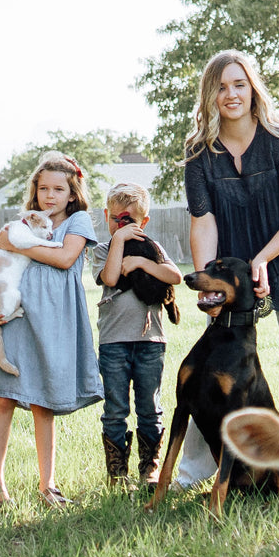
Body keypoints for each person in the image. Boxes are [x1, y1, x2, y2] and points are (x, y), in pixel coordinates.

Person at [183, 49, 279, 427]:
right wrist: (207, 282)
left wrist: (263, 258)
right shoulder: (199, 152)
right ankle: (196, 463)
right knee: (211, 369)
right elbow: (203, 222)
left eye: (239, 84)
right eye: (221, 87)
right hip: (232, 276)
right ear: (210, 95)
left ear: (252, 89)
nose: (231, 94)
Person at [0, 152, 102, 507]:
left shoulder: (77, 222)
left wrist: (19, 244)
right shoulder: (26, 223)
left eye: (58, 189)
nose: (50, 195)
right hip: (18, 315)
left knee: (44, 402)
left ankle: (48, 484)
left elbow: (64, 258)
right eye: (43, 188)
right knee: (5, 396)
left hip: (55, 319)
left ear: (72, 193)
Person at [91, 181, 182, 488]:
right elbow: (111, 277)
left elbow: (175, 276)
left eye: (128, 220)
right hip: (113, 342)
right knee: (115, 409)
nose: (121, 224)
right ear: (107, 216)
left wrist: (142, 262)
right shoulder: (103, 250)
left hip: (150, 342)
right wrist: (119, 240)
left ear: (143, 222)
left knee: (149, 407)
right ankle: (117, 473)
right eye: (116, 219)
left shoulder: (152, 249)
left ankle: (149, 469)